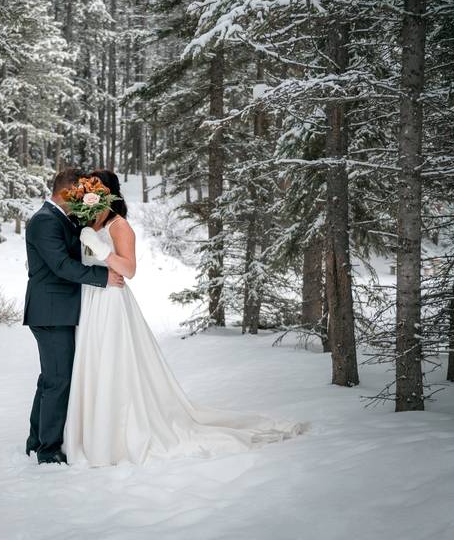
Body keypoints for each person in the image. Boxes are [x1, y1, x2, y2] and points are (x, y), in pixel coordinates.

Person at [64, 169, 307, 466]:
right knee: (96, 364)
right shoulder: (91, 222)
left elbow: (129, 270)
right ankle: (94, 432)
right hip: (92, 301)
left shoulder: (119, 226)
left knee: (113, 365)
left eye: (97, 187)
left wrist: (101, 249)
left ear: (108, 194)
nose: (92, 192)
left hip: (112, 303)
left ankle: (116, 436)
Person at [23, 167, 125, 464]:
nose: (83, 195)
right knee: (59, 380)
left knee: (50, 379)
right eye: (79, 191)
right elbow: (61, 266)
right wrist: (102, 276)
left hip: (57, 310)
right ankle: (49, 450)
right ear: (67, 191)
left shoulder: (61, 217)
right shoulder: (44, 221)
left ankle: (36, 439)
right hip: (51, 312)